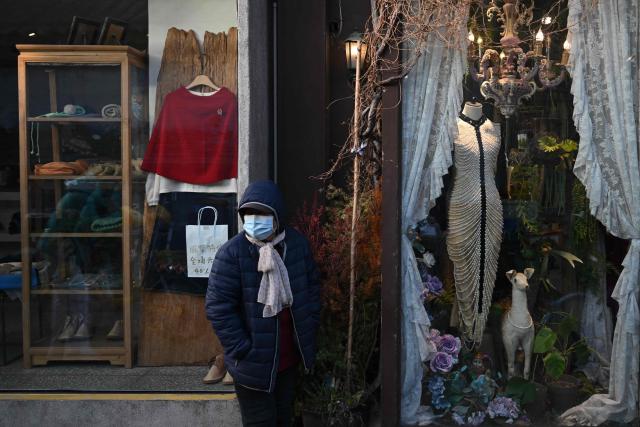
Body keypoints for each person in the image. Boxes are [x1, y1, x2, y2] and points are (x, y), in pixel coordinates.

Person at [206, 180, 321, 426]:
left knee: (284, 419)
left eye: (262, 214)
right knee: (260, 422)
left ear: (277, 216)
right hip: (252, 365)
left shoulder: (296, 246)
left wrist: (309, 325)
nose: (255, 220)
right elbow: (218, 307)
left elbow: (311, 288)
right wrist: (242, 349)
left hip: (288, 360)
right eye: (249, 214)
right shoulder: (232, 253)